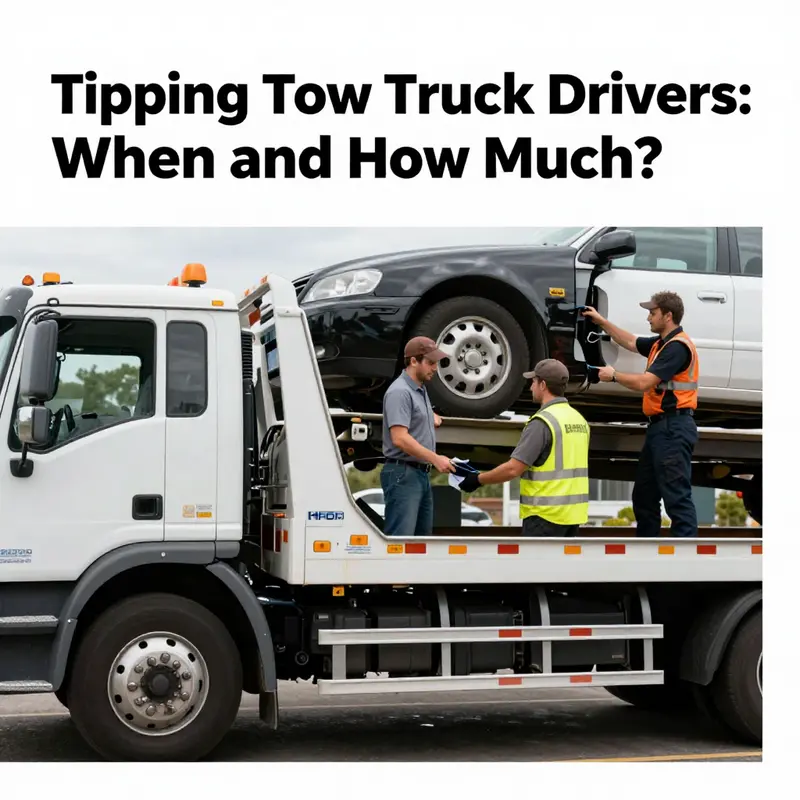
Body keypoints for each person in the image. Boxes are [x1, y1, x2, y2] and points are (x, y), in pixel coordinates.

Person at [581, 291, 699, 538]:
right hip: (661, 428)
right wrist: (601, 322)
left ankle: (686, 557)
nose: (648, 318)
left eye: (652, 313)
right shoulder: (660, 344)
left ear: (668, 316)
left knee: (676, 497)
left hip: (673, 428)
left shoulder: (677, 348)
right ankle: (648, 550)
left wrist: (614, 376)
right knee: (644, 496)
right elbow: (631, 341)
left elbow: (645, 382)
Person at [458, 359, 590, 537]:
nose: (531, 387)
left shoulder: (543, 422)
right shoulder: (579, 420)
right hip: (572, 517)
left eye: (533, 382)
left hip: (544, 516)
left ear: (543, 385)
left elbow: (513, 469)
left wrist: (478, 479)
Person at [381, 336, 455, 536]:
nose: (435, 368)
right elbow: (399, 438)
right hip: (403, 473)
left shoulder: (419, 389)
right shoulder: (400, 392)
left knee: (421, 543)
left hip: (418, 474)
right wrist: (436, 459)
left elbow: (412, 413)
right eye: (431, 363)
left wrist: (430, 416)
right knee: (401, 541)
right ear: (414, 361)